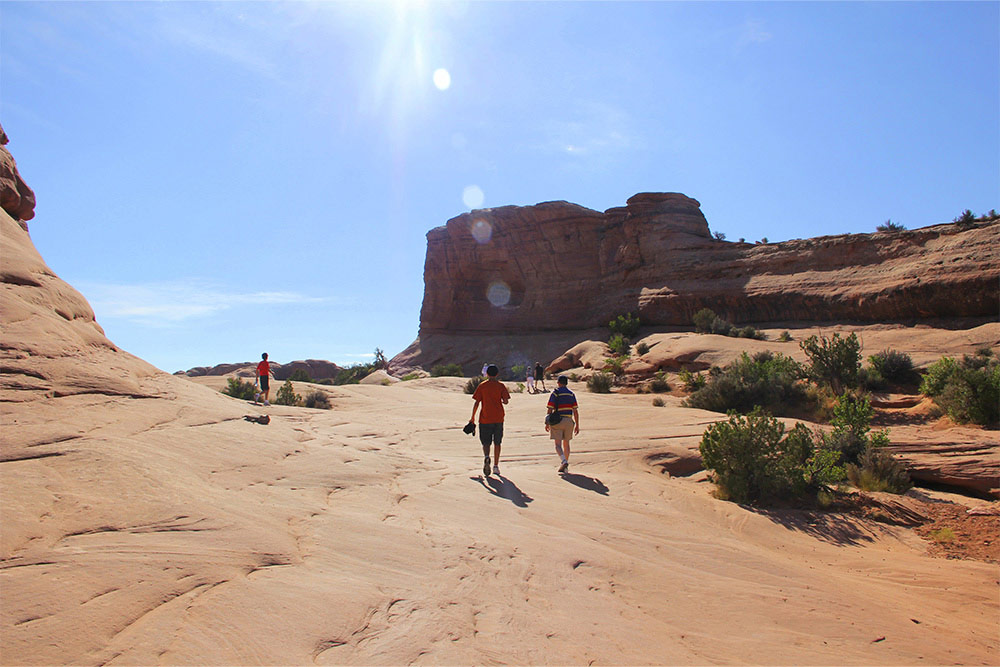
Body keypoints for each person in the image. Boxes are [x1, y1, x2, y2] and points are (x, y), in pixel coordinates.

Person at [469, 364, 510, 477]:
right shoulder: (501, 386)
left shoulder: (482, 386)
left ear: (487, 374)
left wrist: (472, 417)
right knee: (497, 442)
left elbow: (477, 402)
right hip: (498, 418)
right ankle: (496, 466)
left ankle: (487, 457)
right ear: (497, 374)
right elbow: (506, 401)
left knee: (486, 442)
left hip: (485, 418)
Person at [545, 375, 579, 473]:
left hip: (557, 421)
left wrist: (547, 423)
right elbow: (575, 411)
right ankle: (565, 466)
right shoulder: (571, 394)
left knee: (557, 445)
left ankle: (563, 461)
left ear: (559, 383)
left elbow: (550, 408)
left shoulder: (555, 393)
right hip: (569, 421)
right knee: (566, 443)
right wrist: (577, 425)